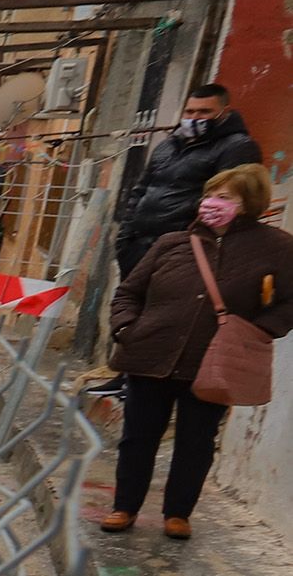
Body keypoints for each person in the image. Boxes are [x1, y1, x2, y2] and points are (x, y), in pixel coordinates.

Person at [100, 164, 293, 540]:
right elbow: (129, 292)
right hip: (149, 355)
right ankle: (125, 506)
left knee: (196, 441)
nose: (211, 204)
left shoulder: (278, 247)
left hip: (214, 364)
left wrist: (259, 331)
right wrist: (126, 328)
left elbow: (289, 302)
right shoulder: (172, 242)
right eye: (210, 195)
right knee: (138, 437)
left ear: (249, 203)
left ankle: (178, 513)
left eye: (224, 197)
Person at [114, 84, 261, 281]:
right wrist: (124, 239)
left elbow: (227, 203)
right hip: (137, 249)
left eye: (205, 112)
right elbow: (140, 190)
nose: (194, 118)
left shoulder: (237, 148)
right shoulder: (168, 145)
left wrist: (189, 241)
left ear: (224, 113)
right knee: (127, 305)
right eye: (190, 111)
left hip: (183, 251)